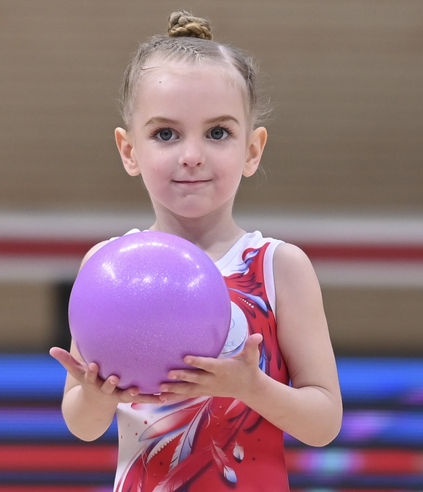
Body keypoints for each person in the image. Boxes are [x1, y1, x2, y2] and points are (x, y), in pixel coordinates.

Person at [49, 11, 342, 491]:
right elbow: (82, 425)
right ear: (128, 150)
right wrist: (97, 396)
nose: (191, 154)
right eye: (166, 134)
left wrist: (251, 388)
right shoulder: (108, 268)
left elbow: (324, 422)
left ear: (252, 149)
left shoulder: (279, 267)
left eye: (217, 133)